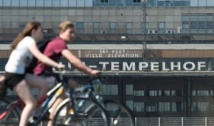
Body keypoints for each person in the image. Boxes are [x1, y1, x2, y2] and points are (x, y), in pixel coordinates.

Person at [32, 21, 99, 126]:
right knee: (66, 89)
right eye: (70, 32)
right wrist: (90, 71)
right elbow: (73, 60)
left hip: (46, 73)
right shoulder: (59, 43)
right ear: (62, 32)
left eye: (74, 33)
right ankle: (60, 116)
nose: (73, 35)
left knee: (71, 85)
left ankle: (61, 115)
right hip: (42, 73)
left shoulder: (56, 42)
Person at [4, 21, 65, 126]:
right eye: (41, 30)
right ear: (34, 31)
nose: (43, 33)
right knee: (30, 103)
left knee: (44, 84)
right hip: (14, 75)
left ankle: (37, 113)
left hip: (21, 74)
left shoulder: (28, 41)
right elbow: (40, 57)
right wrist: (57, 65)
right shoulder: (29, 41)